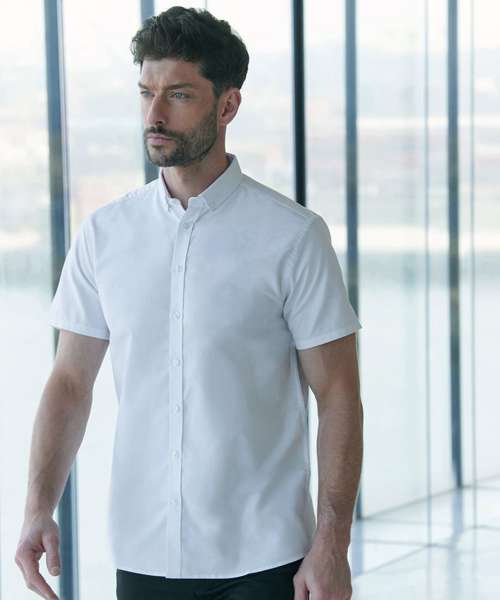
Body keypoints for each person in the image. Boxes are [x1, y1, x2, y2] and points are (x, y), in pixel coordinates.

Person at [15, 6, 363, 600]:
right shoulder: (103, 234)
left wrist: (332, 545)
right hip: (143, 555)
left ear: (227, 106)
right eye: (146, 92)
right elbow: (70, 383)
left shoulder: (293, 236)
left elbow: (338, 395)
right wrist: (37, 508)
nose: (154, 114)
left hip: (266, 558)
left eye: (178, 95)